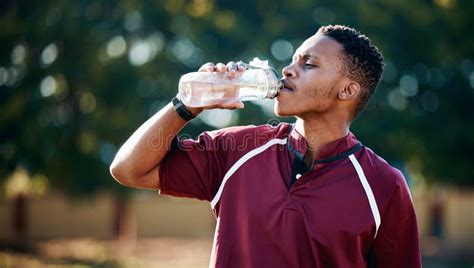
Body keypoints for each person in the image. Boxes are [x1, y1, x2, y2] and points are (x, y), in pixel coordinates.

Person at [110, 25, 422, 267]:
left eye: (309, 64)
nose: (288, 70)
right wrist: (185, 106)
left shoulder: (383, 186)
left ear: (347, 90)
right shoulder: (238, 149)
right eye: (293, 59)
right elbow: (127, 170)